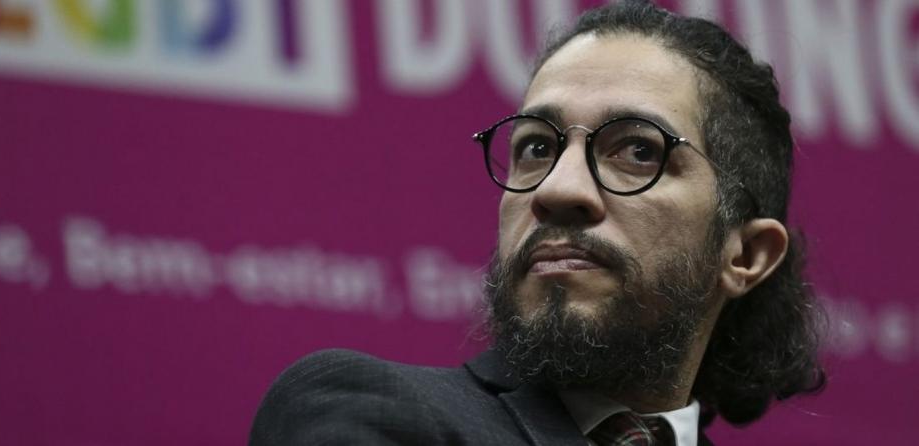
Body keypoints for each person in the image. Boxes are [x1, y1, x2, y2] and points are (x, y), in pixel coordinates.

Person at [249, 1, 826, 444]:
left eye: (638, 151)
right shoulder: (370, 413)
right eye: (536, 148)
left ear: (745, 255)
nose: (557, 189)